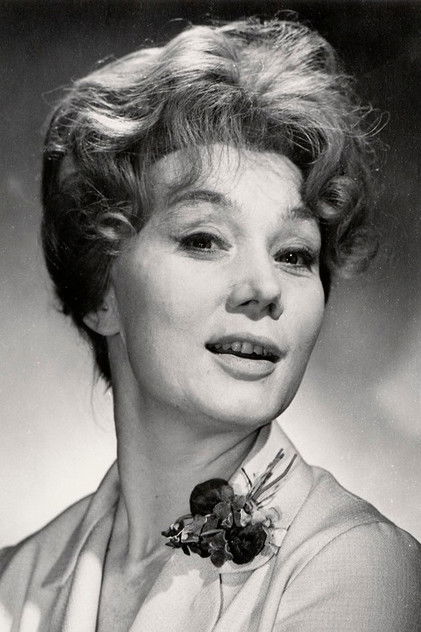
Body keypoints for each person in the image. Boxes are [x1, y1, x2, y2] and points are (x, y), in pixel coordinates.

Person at [0, 17, 420, 632]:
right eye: (203, 239)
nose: (265, 288)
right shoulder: (14, 586)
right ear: (102, 293)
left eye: (294, 254)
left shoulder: (357, 570)